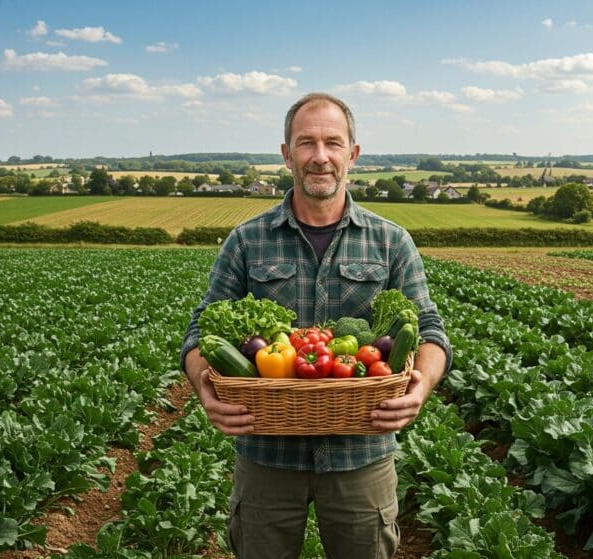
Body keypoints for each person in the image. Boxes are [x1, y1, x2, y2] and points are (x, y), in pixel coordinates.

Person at [180, 92, 452, 559]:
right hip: (266, 453)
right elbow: (200, 330)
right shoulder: (247, 241)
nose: (320, 156)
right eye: (306, 143)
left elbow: (428, 327)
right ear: (287, 155)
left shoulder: (391, 242)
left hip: (360, 453)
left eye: (333, 142)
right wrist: (204, 383)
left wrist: (421, 384)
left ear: (353, 153)